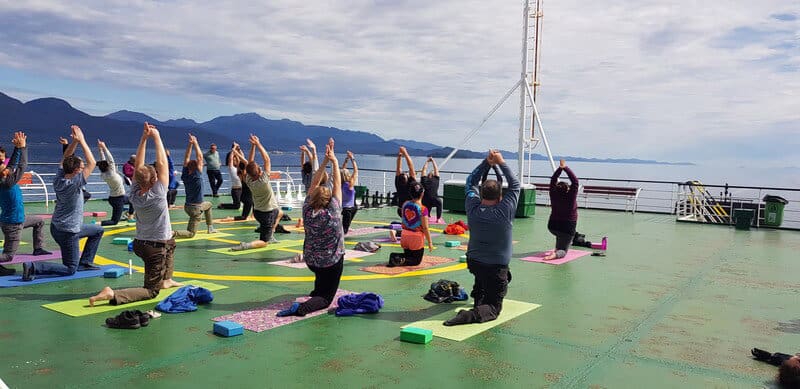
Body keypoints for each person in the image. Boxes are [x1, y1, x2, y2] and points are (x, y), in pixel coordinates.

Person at [89, 123, 182, 307]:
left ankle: (167, 279)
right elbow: (162, 163)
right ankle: (113, 294)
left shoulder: (134, 192)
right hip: (154, 248)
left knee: (171, 242)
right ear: (155, 179)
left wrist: (144, 138)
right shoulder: (158, 193)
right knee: (151, 291)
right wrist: (156, 137)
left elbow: (139, 165)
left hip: (140, 243)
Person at [443, 150, 519, 326]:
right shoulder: (504, 210)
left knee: (487, 276)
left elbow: (470, 182)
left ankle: (478, 297)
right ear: (500, 197)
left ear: (482, 194)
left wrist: (487, 162)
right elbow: (515, 185)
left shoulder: (472, 206)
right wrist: (500, 162)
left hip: (475, 262)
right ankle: (468, 315)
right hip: (495, 266)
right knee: (493, 307)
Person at [23, 126, 104, 281]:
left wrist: (74, 142)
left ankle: (86, 261)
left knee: (97, 230)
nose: (82, 169)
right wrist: (82, 140)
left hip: (58, 227)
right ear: (75, 172)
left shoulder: (59, 177)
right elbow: (92, 162)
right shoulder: (74, 184)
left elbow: (67, 156)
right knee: (70, 269)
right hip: (69, 232)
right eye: (80, 168)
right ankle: (34, 267)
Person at [276, 142, 344, 317]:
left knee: (321, 278)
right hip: (330, 261)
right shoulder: (333, 212)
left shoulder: (307, 209)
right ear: (329, 201)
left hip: (311, 260)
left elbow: (314, 183)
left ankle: (316, 292)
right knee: (326, 298)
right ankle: (301, 309)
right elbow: (337, 184)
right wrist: (335, 162)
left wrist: (324, 163)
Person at [0, 132, 51, 276]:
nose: (7, 167)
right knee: (8, 256)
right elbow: (22, 165)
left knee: (39, 221)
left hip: (16, 219)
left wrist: (17, 148)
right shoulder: (8, 182)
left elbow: (11, 164)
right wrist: (23, 148)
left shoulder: (5, 177)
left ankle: (38, 248)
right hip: (13, 224)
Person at [230, 134, 282, 251]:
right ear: (259, 171)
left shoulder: (248, 178)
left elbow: (250, 162)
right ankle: (246, 245)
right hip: (267, 213)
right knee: (264, 242)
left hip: (258, 212)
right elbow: (267, 159)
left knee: (279, 212)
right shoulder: (263, 180)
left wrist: (253, 146)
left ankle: (271, 234)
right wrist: (258, 143)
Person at [174, 134, 216, 238]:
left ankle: (210, 228)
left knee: (209, 204)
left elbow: (186, 157)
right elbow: (200, 157)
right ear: (197, 167)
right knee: (191, 233)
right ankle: (172, 233)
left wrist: (190, 144)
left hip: (187, 206)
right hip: (196, 208)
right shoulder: (197, 175)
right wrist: (195, 142)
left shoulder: (184, 175)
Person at [387, 181, 434, 267]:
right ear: (422, 193)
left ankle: (397, 257)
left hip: (404, 235)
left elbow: (404, 219)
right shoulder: (423, 209)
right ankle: (398, 259)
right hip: (416, 238)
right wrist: (430, 242)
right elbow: (425, 228)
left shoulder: (405, 204)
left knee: (409, 255)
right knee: (416, 261)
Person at [543, 159, 579, 261]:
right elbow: (575, 181)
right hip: (567, 228)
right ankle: (555, 254)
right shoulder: (570, 197)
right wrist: (565, 168)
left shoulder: (553, 194)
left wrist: (560, 169)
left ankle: (557, 248)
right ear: (568, 189)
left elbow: (553, 179)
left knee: (560, 236)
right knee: (563, 250)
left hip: (552, 226)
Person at [96, 140, 134, 225]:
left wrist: (100, 150)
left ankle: (130, 215)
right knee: (114, 221)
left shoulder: (103, 174)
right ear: (108, 166)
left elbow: (103, 161)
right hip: (118, 199)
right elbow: (110, 159)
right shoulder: (112, 173)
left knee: (132, 200)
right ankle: (97, 223)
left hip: (114, 198)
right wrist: (104, 147)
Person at [60, 137, 91, 203]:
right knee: (85, 195)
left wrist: (66, 145)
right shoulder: (76, 180)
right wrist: (80, 139)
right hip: (78, 191)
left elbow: (67, 158)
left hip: (79, 192)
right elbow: (92, 163)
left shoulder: (58, 181)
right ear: (76, 168)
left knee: (86, 195)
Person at [218, 143, 245, 210]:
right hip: (236, 190)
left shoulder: (241, 169)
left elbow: (243, 157)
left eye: (236, 159)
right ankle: (222, 205)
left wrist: (239, 149)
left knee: (247, 202)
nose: (235, 161)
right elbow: (230, 159)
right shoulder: (232, 168)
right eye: (234, 160)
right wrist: (233, 149)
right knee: (237, 206)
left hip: (243, 188)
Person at [394, 146, 417, 217]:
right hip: (410, 210)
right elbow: (411, 166)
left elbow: (398, 167)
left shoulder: (398, 183)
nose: (406, 173)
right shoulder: (411, 184)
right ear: (406, 178)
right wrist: (405, 152)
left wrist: (400, 155)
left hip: (401, 210)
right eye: (405, 173)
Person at [340, 150, 359, 234]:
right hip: (349, 209)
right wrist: (352, 159)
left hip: (342, 208)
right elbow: (356, 171)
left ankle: (346, 226)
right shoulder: (349, 184)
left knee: (344, 226)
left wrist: (346, 160)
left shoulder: (339, 184)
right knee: (344, 231)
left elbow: (342, 171)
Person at [420, 156, 444, 223]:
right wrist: (432, 161)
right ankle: (434, 217)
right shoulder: (434, 179)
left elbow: (424, 170)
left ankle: (434, 217)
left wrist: (428, 161)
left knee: (437, 201)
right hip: (430, 200)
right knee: (439, 202)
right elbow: (435, 169)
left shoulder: (426, 179)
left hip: (427, 200)